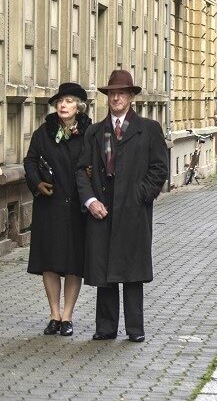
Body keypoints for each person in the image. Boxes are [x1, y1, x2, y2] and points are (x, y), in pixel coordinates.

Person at [75, 70, 169, 342]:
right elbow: (82, 170)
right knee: (104, 270)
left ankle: (135, 329)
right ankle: (105, 328)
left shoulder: (148, 129)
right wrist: (90, 201)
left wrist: (142, 194)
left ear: (130, 97)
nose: (116, 98)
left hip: (133, 208)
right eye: (112, 94)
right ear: (107, 97)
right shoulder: (95, 132)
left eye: (121, 93)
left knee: (132, 271)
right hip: (102, 209)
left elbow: (159, 168)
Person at [24, 83, 92, 337]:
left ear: (79, 107)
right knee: (49, 263)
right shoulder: (44, 132)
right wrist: (36, 182)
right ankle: (54, 314)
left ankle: (67, 317)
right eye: (60, 101)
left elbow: (96, 163)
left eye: (69, 101)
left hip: (76, 206)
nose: (63, 105)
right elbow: (30, 160)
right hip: (50, 205)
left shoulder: (89, 133)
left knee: (74, 263)